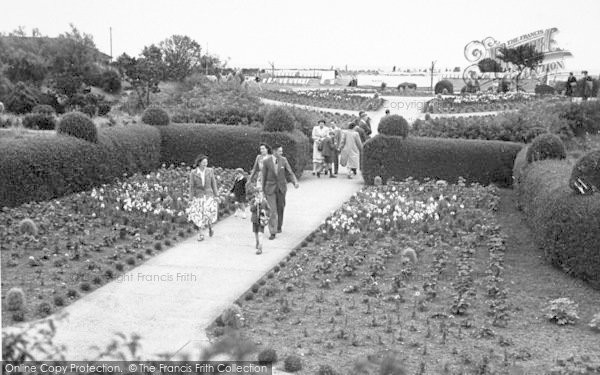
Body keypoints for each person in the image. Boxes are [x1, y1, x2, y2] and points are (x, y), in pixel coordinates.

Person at [261, 144, 299, 239]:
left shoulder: (284, 160)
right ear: (274, 151)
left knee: (280, 208)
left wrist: (295, 182)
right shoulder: (266, 161)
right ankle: (272, 232)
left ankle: (279, 226)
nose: (281, 153)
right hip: (270, 188)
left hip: (281, 188)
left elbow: (289, 172)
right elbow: (263, 176)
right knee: (272, 210)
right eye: (279, 151)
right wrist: (262, 189)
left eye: (281, 151)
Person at [187, 154, 219, 241]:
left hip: (208, 195)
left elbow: (213, 183)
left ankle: (210, 227)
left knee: (208, 213)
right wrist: (190, 199)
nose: (205, 164)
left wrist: (216, 195)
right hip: (199, 196)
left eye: (206, 162)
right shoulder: (193, 173)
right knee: (199, 215)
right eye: (204, 162)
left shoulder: (210, 171)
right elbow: (192, 187)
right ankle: (201, 234)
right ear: (199, 163)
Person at [250, 189, 271, 254]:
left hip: (261, 220)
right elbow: (251, 209)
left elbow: (269, 210)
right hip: (255, 219)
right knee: (256, 232)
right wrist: (255, 204)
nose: (258, 195)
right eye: (256, 194)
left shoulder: (264, 201)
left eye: (259, 194)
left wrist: (265, 212)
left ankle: (260, 247)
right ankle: (257, 242)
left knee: (260, 234)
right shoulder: (253, 201)